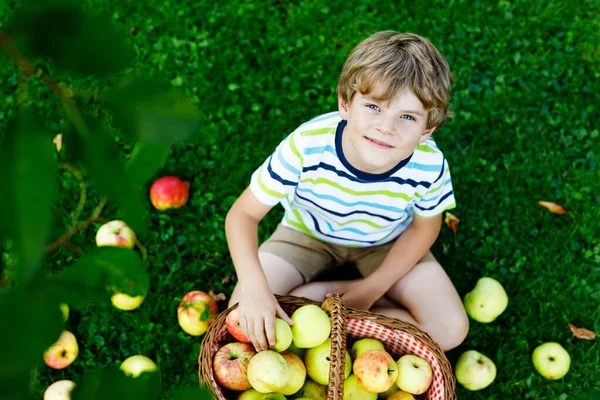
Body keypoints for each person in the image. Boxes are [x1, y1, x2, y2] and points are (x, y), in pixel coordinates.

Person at [225, 31, 469, 352]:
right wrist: (257, 288)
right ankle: (337, 311)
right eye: (373, 107)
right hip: (306, 234)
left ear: (427, 130)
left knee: (450, 329)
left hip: (385, 242)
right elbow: (243, 215)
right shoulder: (307, 145)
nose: (386, 127)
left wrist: (371, 288)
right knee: (245, 317)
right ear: (345, 103)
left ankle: (319, 299)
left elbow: (426, 225)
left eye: (406, 116)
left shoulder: (428, 163)